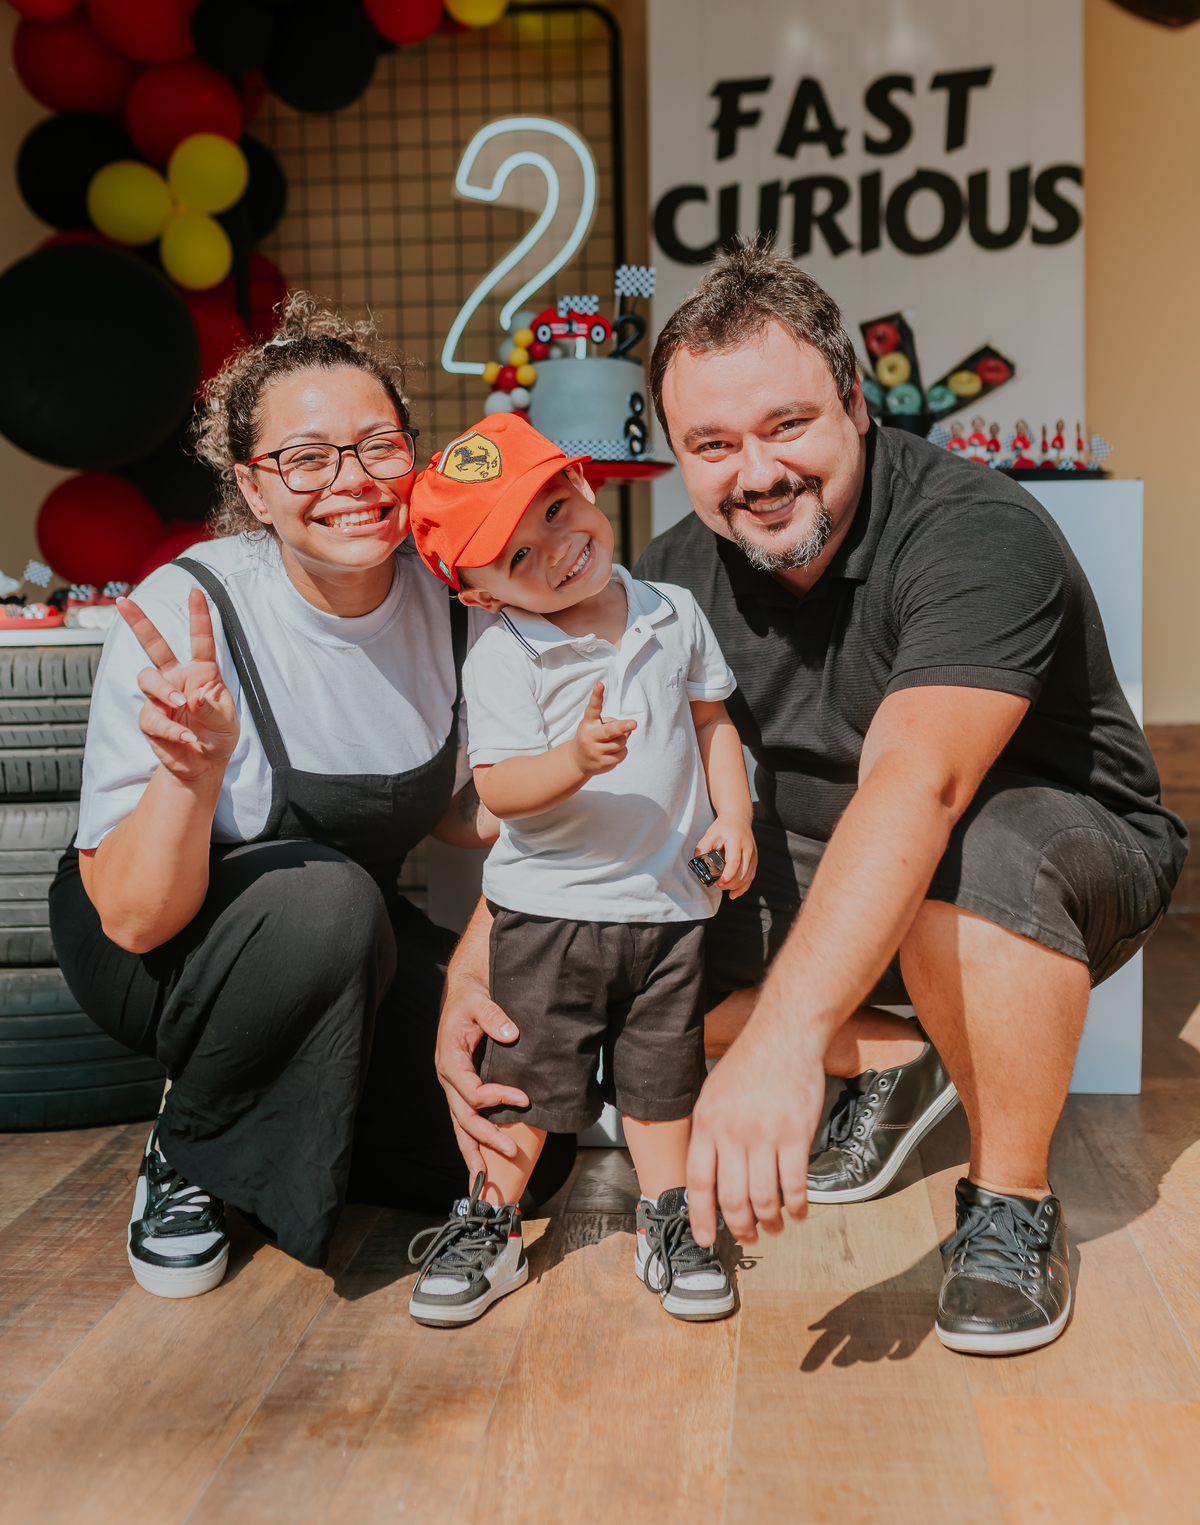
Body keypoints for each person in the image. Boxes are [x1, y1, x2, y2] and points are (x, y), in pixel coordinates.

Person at [437, 244, 1186, 1358]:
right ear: (676, 455)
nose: (757, 472)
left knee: (977, 847)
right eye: (714, 445)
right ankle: (894, 1051)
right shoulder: (673, 579)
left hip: (1038, 849)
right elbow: (614, 802)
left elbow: (918, 784)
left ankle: (1010, 1206)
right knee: (622, 977)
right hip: (811, 856)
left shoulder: (973, 530)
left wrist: (782, 1042)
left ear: (855, 400)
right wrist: (479, 960)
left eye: (788, 426)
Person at [49, 295, 572, 1300]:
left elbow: (462, 812)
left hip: (346, 951)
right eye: (307, 458)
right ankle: (193, 1146)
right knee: (326, 897)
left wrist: (577, 760)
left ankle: (290, 1113)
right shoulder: (188, 611)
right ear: (254, 482)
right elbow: (131, 913)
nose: (353, 483)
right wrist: (189, 777)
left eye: (379, 446)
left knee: (524, 1142)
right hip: (164, 943)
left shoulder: (451, 601)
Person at [402, 413, 756, 1326]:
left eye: (559, 509)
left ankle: (668, 1220)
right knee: (521, 1083)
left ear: (588, 487)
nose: (559, 549)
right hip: (547, 916)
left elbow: (714, 723)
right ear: (478, 594)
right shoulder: (506, 651)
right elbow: (501, 790)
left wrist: (735, 813)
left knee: (663, 1080)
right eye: (519, 556)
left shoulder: (671, 611)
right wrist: (576, 759)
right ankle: (491, 1221)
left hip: (669, 909)